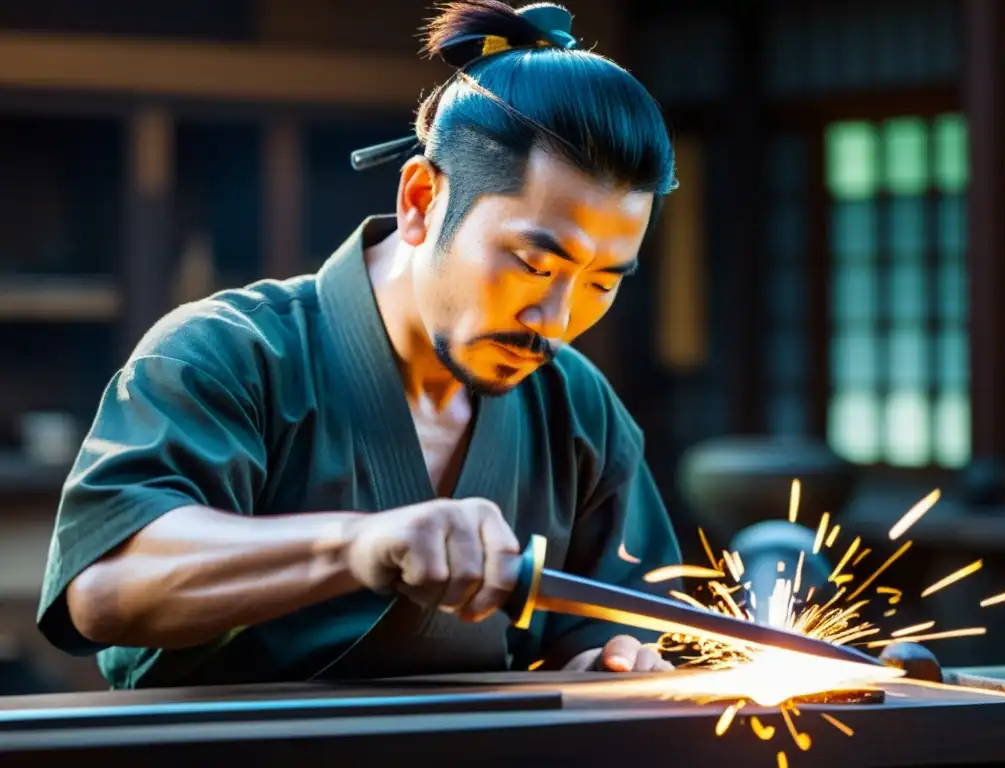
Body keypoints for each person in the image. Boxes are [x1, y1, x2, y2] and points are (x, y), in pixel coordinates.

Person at [36, 0, 686, 689]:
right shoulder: (229, 355)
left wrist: (602, 665)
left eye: (602, 282)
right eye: (534, 264)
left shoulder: (576, 405)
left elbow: (616, 621)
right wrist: (359, 543)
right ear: (419, 200)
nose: (556, 320)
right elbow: (104, 588)